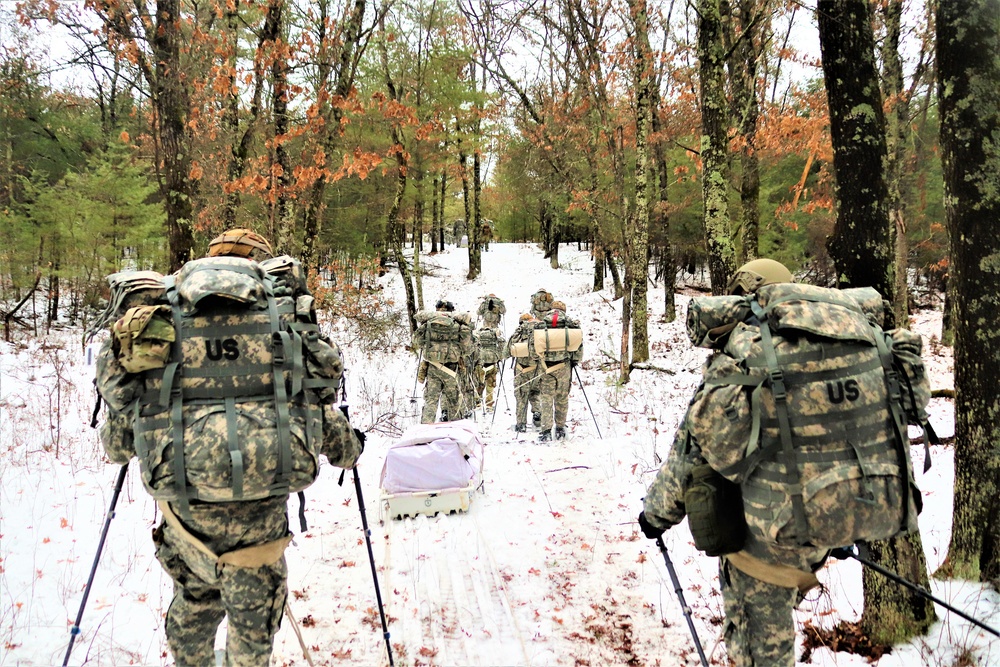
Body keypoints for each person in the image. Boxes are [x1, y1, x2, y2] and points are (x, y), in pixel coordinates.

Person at [638, 258, 930, 667]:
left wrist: (656, 517)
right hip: (835, 517)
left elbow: (694, 450)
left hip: (770, 536)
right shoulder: (853, 344)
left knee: (761, 644)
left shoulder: (750, 358)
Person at [95, 228, 363, 666]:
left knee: (194, 605)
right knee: (252, 634)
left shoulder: (163, 324)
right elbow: (316, 406)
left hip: (185, 524)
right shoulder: (282, 321)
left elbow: (119, 444)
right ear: (261, 266)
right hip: (259, 532)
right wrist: (348, 449)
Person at [415, 299, 475, 423]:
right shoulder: (458, 325)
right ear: (451, 310)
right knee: (454, 401)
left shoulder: (428, 323)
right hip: (452, 369)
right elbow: (467, 349)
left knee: (431, 400)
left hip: (432, 367)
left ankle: (425, 430)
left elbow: (417, 342)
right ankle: (455, 430)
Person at [534, 300, 584, 442]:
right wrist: (575, 361)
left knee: (546, 398)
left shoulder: (541, 324)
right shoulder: (570, 324)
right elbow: (578, 346)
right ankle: (560, 428)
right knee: (562, 397)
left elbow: (534, 347)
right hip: (564, 366)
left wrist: (538, 359)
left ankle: (546, 431)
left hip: (546, 367)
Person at [506, 313, 543, 432]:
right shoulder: (540, 330)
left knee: (521, 395)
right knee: (535, 392)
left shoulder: (521, 331)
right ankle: (537, 413)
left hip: (522, 369)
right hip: (538, 368)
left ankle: (521, 424)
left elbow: (508, 349)